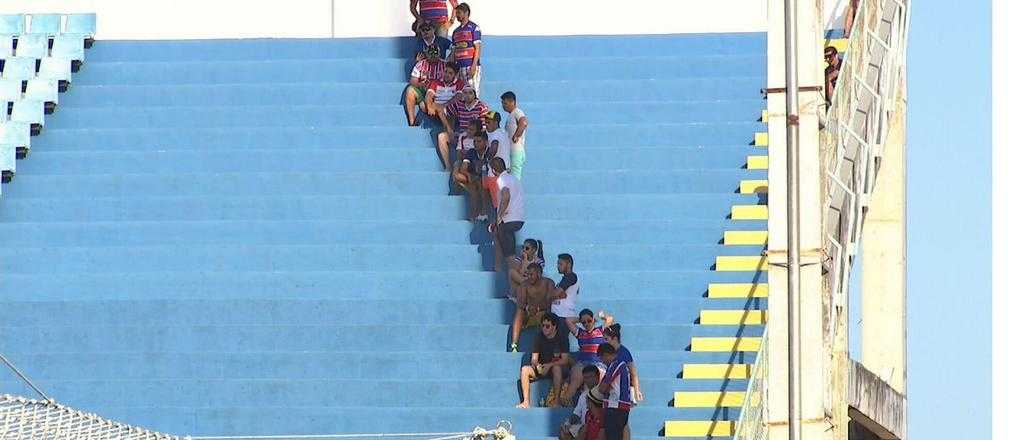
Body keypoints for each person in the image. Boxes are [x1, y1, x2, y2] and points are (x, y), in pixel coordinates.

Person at [560, 308, 614, 406]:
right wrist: (581, 319)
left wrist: (601, 317)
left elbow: (610, 319)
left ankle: (594, 407)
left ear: (593, 320)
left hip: (598, 364)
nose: (586, 324)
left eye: (589, 321)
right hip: (583, 363)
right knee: (575, 380)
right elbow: (568, 320)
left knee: (597, 383)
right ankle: (563, 405)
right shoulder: (580, 333)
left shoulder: (601, 331)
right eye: (583, 322)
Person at [517, 312, 570, 408]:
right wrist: (538, 366)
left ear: (554, 326)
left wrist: (549, 365)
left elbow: (565, 360)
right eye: (543, 326)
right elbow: (534, 359)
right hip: (542, 367)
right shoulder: (539, 336)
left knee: (556, 368)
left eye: (547, 326)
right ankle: (526, 402)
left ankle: (556, 402)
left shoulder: (562, 338)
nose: (544, 328)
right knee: (525, 370)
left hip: (557, 368)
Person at [510, 263, 559, 352]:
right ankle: (514, 345)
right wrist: (528, 308)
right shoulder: (524, 285)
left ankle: (546, 347)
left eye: (531, 274)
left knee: (547, 314)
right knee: (519, 311)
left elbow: (549, 300)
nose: (529, 277)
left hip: (543, 313)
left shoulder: (549, 283)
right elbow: (521, 304)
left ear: (539, 274)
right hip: (529, 315)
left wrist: (538, 308)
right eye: (527, 274)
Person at [438, 86, 489, 170]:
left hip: (475, 136)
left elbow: (483, 128)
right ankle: (448, 167)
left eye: (470, 93)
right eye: (465, 93)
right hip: (461, 134)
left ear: (474, 95)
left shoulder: (481, 107)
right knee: (442, 137)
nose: (467, 95)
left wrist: (472, 134)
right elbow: (441, 111)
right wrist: (449, 129)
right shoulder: (459, 104)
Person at [490, 157, 525, 273]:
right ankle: (498, 268)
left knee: (510, 257)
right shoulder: (513, 178)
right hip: (518, 219)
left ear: (493, 170)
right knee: (498, 238)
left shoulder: (501, 180)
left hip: (508, 220)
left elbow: (506, 196)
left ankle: (524, 275)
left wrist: (499, 216)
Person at [451, 132, 495, 221]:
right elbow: (463, 168)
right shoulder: (471, 152)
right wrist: (470, 175)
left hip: (485, 180)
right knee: (458, 176)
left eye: (479, 141)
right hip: (472, 178)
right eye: (474, 141)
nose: (476, 143)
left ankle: (481, 213)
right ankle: (475, 216)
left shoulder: (489, 153)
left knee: (477, 188)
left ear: (486, 142)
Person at [404, 46, 446, 126]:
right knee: (410, 90)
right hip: (423, 91)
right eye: (431, 54)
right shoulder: (420, 64)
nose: (433, 56)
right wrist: (421, 84)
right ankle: (412, 122)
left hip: (438, 93)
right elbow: (412, 81)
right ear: (426, 54)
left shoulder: (445, 65)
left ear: (439, 54)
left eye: (435, 54)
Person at [603, 324, 644, 406]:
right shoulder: (607, 352)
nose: (604, 342)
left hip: (621, 389)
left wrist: (637, 391)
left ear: (615, 339)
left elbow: (633, 373)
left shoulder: (624, 352)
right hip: (610, 390)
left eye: (606, 339)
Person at [597, 343, 631, 440]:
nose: (603, 362)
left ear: (605, 355)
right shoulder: (618, 365)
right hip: (619, 408)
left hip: (616, 408)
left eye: (602, 359)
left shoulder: (616, 365)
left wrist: (606, 388)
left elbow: (602, 388)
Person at [559, 365, 601, 440]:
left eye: (590, 377)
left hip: (598, 426)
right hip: (583, 426)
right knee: (563, 432)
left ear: (597, 377)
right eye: (585, 377)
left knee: (584, 429)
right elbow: (576, 414)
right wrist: (568, 424)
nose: (588, 380)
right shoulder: (583, 395)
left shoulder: (603, 392)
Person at [451, 3, 483, 95]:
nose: (457, 15)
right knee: (461, 93)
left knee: (472, 92)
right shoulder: (455, 31)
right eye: (456, 13)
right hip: (459, 67)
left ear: (466, 13)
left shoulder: (474, 28)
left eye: (459, 13)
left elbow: (478, 48)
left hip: (470, 66)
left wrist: (474, 66)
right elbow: (454, 51)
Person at [481, 111, 511, 206]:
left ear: (496, 122)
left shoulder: (495, 134)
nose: (486, 125)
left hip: (495, 174)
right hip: (505, 173)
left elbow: (494, 147)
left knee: (497, 202)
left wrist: (486, 161)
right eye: (485, 122)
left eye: (488, 122)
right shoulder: (503, 133)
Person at [501, 91, 529, 179]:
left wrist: (517, 135)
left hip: (516, 150)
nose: (503, 105)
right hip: (511, 151)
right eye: (502, 103)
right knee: (510, 177)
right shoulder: (511, 115)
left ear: (512, 102)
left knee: (515, 177)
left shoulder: (517, 112)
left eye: (505, 103)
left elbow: (524, 122)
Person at [550, 253, 581, 330]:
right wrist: (557, 294)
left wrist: (555, 294)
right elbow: (556, 294)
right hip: (558, 315)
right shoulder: (564, 279)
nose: (558, 266)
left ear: (569, 264)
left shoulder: (571, 277)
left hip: (563, 316)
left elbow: (554, 294)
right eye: (558, 264)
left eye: (561, 264)